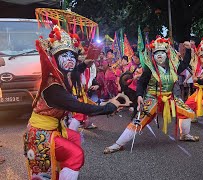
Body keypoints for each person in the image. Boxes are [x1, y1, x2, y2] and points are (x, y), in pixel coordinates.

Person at [23, 23, 126, 180]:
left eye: (72, 56)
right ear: (55, 59)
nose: (70, 59)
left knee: (75, 138)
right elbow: (77, 106)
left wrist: (88, 60)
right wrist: (108, 107)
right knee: (76, 154)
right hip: (41, 134)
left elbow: (77, 70)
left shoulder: (63, 76)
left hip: (54, 128)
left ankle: (65, 170)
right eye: (64, 56)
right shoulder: (53, 85)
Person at [104, 38, 199, 154]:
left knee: (186, 111)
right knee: (139, 120)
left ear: (167, 54)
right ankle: (118, 144)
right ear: (153, 56)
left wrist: (188, 50)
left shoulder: (173, 66)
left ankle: (185, 134)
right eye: (156, 53)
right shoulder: (150, 69)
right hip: (152, 98)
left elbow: (184, 64)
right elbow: (141, 82)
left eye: (162, 53)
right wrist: (139, 95)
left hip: (169, 97)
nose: (159, 55)